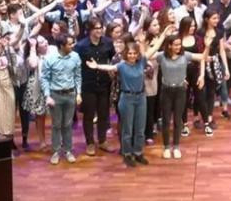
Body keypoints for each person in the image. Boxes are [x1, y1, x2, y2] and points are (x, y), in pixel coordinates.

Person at [85, 27, 169, 167]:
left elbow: (154, 49)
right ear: (126, 54)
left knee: (140, 129)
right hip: (127, 99)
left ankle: (138, 152)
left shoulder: (141, 62)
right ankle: (127, 153)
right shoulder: (122, 65)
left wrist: (164, 34)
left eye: (134, 53)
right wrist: (97, 66)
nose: (132, 56)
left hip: (141, 98)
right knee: (127, 129)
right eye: (129, 53)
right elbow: (110, 68)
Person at [154, 33, 205, 159]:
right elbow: (147, 55)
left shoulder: (185, 55)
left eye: (179, 44)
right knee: (166, 120)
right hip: (166, 90)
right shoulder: (162, 56)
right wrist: (162, 36)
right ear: (169, 45)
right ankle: (166, 147)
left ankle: (176, 147)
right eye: (175, 45)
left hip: (180, 91)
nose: (178, 47)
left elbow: (203, 57)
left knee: (178, 120)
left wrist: (208, 46)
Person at [74, 20, 115, 156]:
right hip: (88, 85)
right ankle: (90, 142)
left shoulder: (108, 43)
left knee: (103, 114)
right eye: (96, 28)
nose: (99, 30)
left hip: (104, 84)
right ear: (90, 30)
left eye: (100, 27)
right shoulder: (81, 46)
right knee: (89, 115)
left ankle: (102, 140)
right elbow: (76, 65)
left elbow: (112, 58)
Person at [40, 34, 82, 165]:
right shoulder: (49, 59)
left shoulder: (75, 57)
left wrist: (78, 93)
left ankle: (68, 150)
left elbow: (77, 76)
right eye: (69, 44)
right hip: (56, 95)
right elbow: (45, 79)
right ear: (62, 46)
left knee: (68, 124)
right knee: (56, 125)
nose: (72, 46)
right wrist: (47, 96)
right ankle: (56, 151)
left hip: (70, 94)